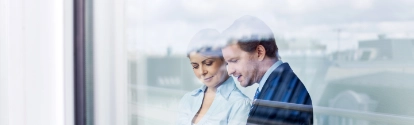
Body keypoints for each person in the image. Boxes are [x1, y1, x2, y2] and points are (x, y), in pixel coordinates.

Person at [221, 16, 313, 124]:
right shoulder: (279, 85)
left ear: (259, 52)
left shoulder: (282, 94)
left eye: (234, 60)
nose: (230, 71)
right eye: (227, 63)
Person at [176, 29, 251, 125]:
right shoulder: (187, 99)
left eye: (208, 63)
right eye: (195, 66)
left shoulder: (240, 104)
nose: (202, 72)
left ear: (225, 59)